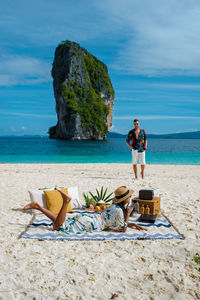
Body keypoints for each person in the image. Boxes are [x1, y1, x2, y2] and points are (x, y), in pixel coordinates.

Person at [23, 187, 147, 233]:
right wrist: (128, 214)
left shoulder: (113, 207)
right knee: (58, 226)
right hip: (92, 224)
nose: (130, 198)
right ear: (124, 200)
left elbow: (116, 222)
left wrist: (133, 224)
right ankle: (66, 202)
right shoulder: (120, 212)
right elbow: (122, 229)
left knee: (59, 222)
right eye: (129, 196)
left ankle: (38, 206)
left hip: (89, 218)